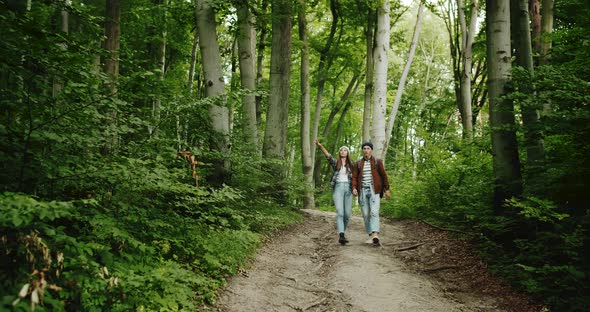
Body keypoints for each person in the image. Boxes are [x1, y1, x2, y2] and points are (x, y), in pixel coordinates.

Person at [315, 139, 353, 245]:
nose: (343, 152)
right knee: (340, 212)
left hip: (349, 190)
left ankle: (343, 233)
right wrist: (320, 146)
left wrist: (355, 189)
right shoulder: (336, 163)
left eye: (345, 150)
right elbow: (328, 156)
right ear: (339, 153)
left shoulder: (352, 165)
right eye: (341, 150)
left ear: (348, 153)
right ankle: (341, 235)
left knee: (347, 215)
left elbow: (357, 178)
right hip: (338, 188)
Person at [352, 142, 391, 245]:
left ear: (371, 150)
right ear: (362, 150)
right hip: (363, 191)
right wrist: (354, 188)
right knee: (365, 214)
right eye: (364, 148)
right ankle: (370, 234)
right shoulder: (358, 163)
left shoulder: (378, 162)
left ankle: (375, 234)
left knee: (374, 212)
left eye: (368, 148)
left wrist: (387, 189)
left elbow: (384, 176)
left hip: (375, 190)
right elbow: (354, 177)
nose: (366, 150)